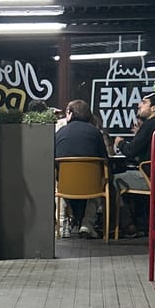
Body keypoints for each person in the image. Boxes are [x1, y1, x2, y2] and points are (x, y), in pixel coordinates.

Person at [113, 93, 155, 236]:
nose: (139, 105)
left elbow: (130, 151)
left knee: (113, 181)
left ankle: (126, 225)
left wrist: (119, 142)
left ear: (154, 108)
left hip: (150, 178)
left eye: (144, 102)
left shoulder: (149, 126)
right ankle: (143, 222)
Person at [55, 99, 108, 239]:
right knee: (102, 183)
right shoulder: (96, 133)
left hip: (65, 186)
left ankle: (62, 226)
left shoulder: (60, 133)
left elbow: (54, 159)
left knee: (57, 186)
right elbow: (105, 158)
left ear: (70, 113)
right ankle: (87, 225)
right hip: (92, 187)